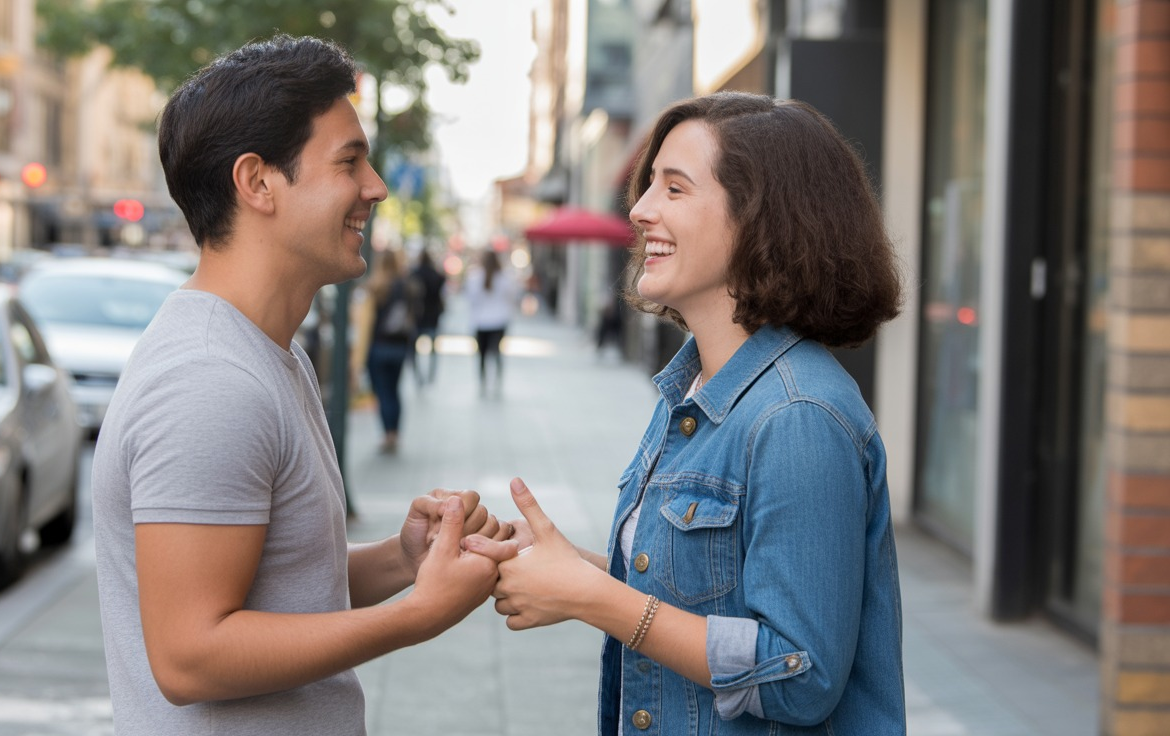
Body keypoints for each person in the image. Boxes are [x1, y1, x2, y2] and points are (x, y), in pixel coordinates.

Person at [91, 35, 511, 735]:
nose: (375, 187)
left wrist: (401, 560)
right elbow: (190, 657)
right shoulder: (211, 381)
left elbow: (275, 587)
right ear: (257, 182)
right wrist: (416, 616)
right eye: (349, 162)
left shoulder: (263, 353)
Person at [465, 92, 906, 735]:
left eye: (674, 188)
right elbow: (701, 595)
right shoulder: (699, 387)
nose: (640, 210)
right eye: (649, 186)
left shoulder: (797, 416)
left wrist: (594, 598)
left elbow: (799, 676)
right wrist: (569, 568)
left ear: (761, 219)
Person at [352, 248, 418, 454]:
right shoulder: (407, 286)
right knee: (394, 391)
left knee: (383, 393)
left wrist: (358, 357)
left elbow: (366, 324)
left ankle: (388, 434)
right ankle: (395, 433)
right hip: (399, 347)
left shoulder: (375, 287)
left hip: (378, 347)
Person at [463, 249, 518, 395]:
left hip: (481, 321)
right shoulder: (504, 277)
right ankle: (497, 381)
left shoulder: (475, 277)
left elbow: (470, 299)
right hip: (499, 320)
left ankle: (483, 382)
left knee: (482, 355)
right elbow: (511, 297)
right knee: (497, 352)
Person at [410, 248, 447, 384]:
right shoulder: (435, 275)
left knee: (413, 350)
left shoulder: (415, 274)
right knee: (433, 349)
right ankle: (431, 375)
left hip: (418, 317)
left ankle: (418, 376)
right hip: (433, 316)